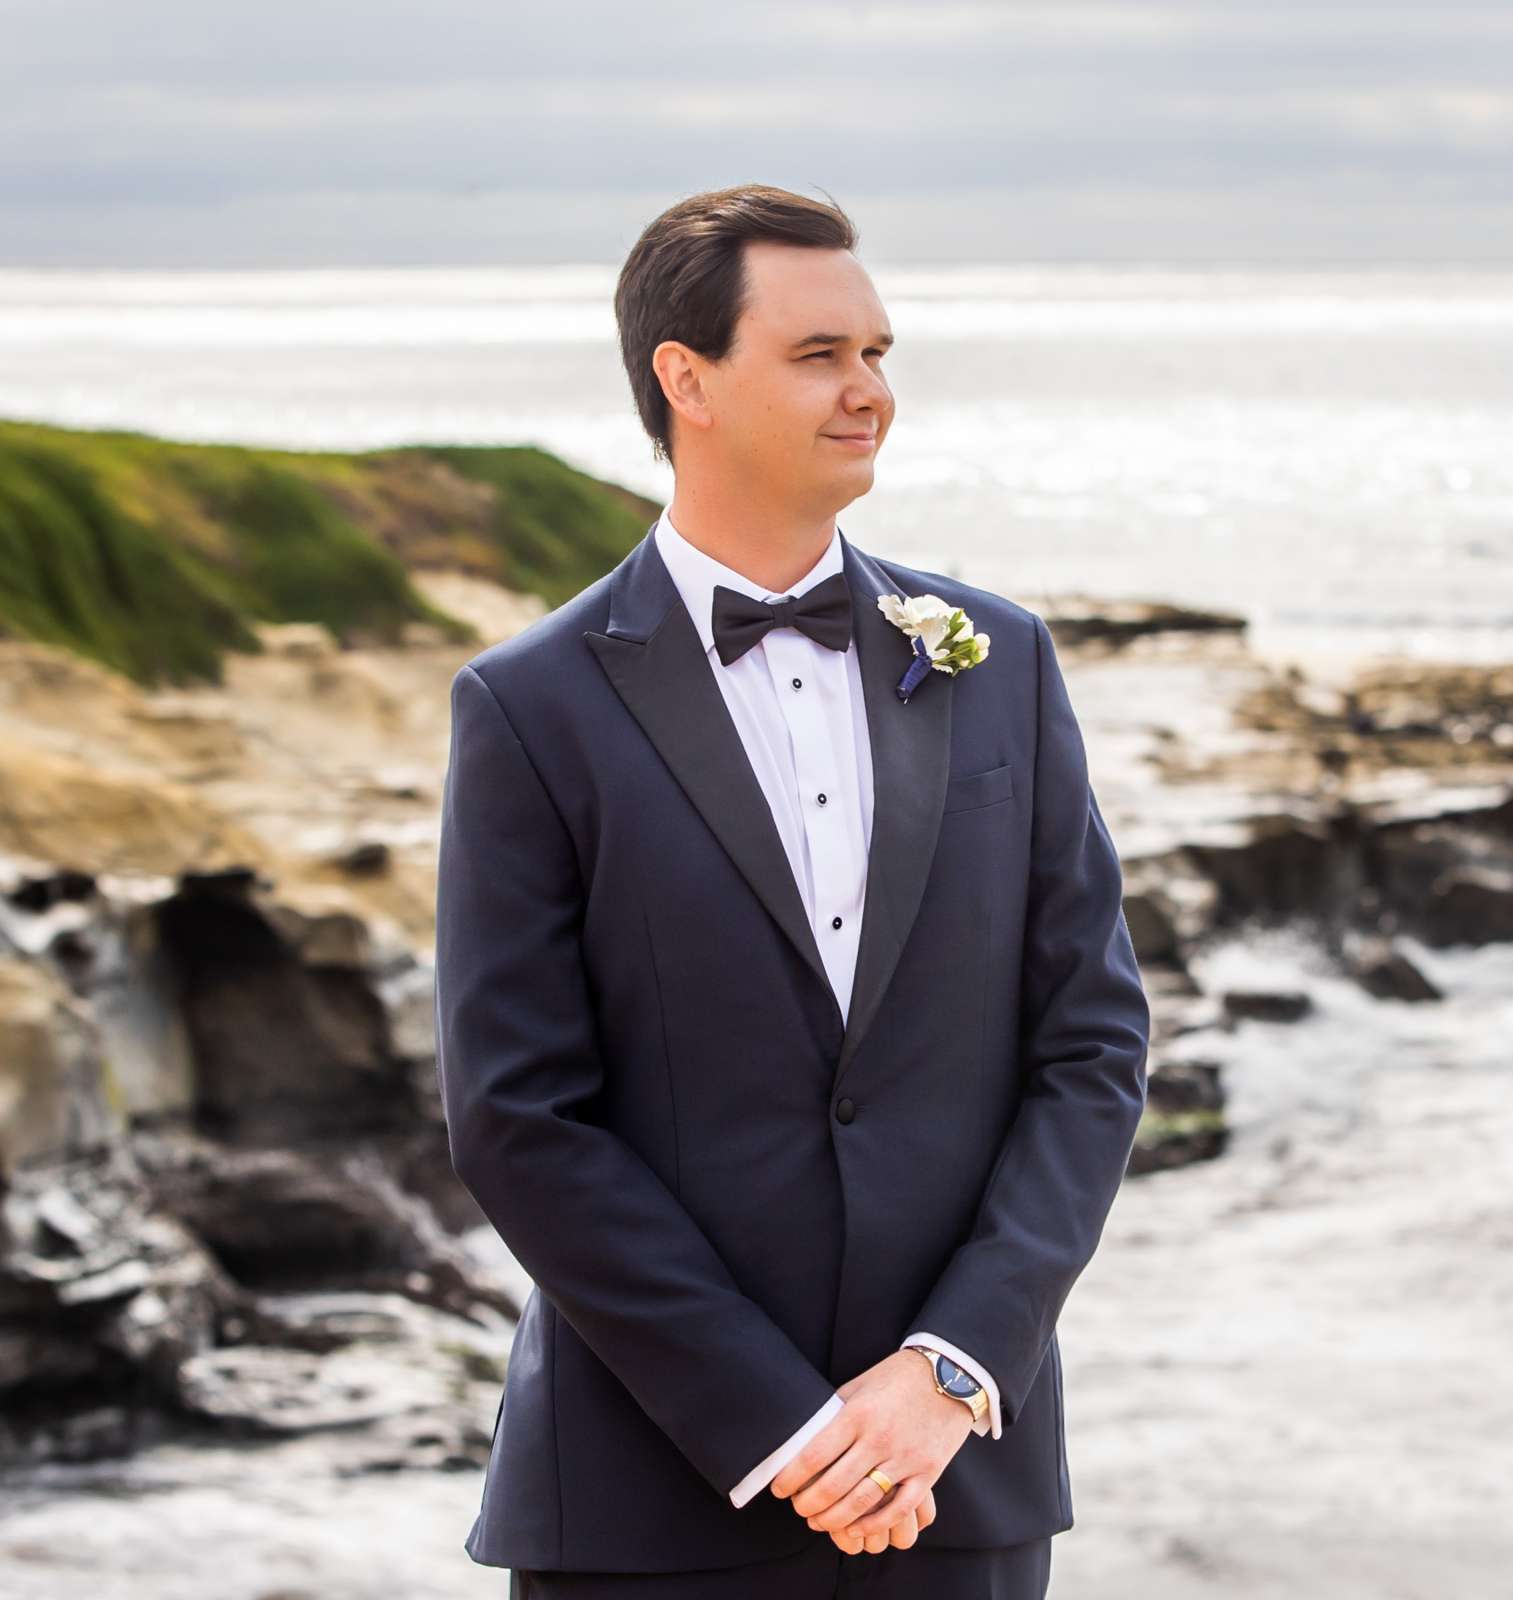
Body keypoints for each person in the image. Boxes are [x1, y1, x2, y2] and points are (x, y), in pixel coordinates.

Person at [433, 182, 1151, 1598]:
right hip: (648, 1500)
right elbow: (519, 1116)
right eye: (820, 355)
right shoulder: (531, 707)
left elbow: (1092, 1045)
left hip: (959, 1480)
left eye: (878, 354)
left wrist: (949, 1371)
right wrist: (784, 1425)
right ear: (684, 379)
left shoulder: (992, 660)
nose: (868, 391)